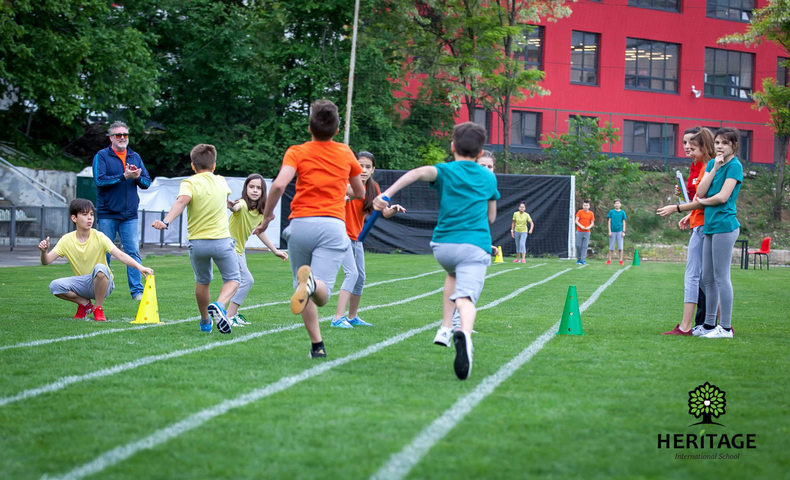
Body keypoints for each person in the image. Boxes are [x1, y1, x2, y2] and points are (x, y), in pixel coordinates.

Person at [373, 122, 501, 380]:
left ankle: (444, 328)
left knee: (453, 275)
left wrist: (386, 194)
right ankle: (463, 335)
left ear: (452, 146)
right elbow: (491, 217)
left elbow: (417, 173)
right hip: (474, 245)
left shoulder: (444, 170)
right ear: (480, 154)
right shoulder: (488, 176)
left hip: (444, 247)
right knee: (465, 299)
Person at [253, 99, 365, 359]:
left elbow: (279, 185)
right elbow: (359, 191)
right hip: (332, 225)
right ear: (337, 130)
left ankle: (317, 344)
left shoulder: (297, 151)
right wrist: (340, 188)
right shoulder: (345, 152)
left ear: (309, 128)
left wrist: (268, 216)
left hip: (300, 225)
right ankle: (312, 284)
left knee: (300, 287)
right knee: (320, 292)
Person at [152, 144, 240, 334]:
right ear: (214, 165)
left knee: (203, 281)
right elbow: (222, 200)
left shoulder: (189, 183)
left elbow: (182, 201)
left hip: (198, 242)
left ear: (193, 166)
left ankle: (205, 321)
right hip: (221, 241)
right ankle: (220, 305)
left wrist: (166, 222)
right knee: (233, 279)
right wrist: (233, 206)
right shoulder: (221, 181)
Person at [39, 199, 153, 321]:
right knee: (54, 286)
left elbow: (120, 255)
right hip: (84, 284)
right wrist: (44, 251)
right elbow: (46, 261)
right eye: (84, 214)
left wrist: (140, 267)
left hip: (105, 283)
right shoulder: (66, 240)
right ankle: (84, 304)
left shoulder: (99, 236)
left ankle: (98, 309)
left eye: (91, 214)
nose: (89, 218)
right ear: (74, 218)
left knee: (100, 268)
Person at [332, 151, 405, 329]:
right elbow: (333, 204)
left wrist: (394, 208)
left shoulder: (374, 188)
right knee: (352, 274)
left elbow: (384, 212)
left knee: (361, 277)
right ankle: (337, 318)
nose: (363, 170)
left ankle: (352, 317)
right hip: (341, 235)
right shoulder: (345, 184)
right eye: (360, 166)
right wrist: (345, 199)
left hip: (357, 238)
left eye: (367, 167)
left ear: (373, 170)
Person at [657, 127, 715, 335]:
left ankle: (687, 326)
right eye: (684, 143)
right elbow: (699, 201)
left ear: (703, 146)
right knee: (705, 277)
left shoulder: (708, 167)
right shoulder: (697, 166)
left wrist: (678, 208)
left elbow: (706, 200)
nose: (687, 147)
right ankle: (716, 323)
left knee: (696, 276)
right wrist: (689, 213)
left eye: (692, 143)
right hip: (699, 223)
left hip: (706, 226)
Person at [693, 127, 743, 339]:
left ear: (734, 145)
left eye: (725, 142)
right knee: (707, 277)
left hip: (725, 225)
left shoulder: (735, 166)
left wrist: (695, 205)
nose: (720, 146)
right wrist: (714, 168)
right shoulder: (713, 164)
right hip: (711, 225)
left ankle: (726, 327)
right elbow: (700, 191)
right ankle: (709, 325)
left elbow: (722, 197)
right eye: (717, 142)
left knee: (721, 277)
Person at [93, 120, 151, 300]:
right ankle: (103, 289)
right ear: (111, 138)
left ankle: (137, 292)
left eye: (125, 135)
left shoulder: (135, 156)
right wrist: (123, 176)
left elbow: (147, 182)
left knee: (133, 252)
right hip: (107, 213)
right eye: (118, 135)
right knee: (105, 253)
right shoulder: (101, 156)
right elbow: (99, 181)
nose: (122, 138)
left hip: (129, 215)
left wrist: (136, 177)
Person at [225, 174, 289, 327]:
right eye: (251, 187)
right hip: (229, 246)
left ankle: (231, 314)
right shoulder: (242, 204)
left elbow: (259, 231)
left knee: (239, 281)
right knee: (247, 280)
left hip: (239, 249)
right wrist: (230, 205)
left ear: (263, 191)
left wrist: (275, 251)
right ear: (245, 188)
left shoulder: (259, 211)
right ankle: (228, 316)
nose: (254, 190)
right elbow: (236, 207)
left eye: (258, 188)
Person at [606, 199, 627, 266]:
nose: (617, 205)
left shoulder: (622, 212)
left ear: (620, 204)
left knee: (620, 247)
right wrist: (609, 231)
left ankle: (620, 260)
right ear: (614, 204)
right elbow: (609, 221)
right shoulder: (611, 212)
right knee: (611, 247)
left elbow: (624, 222)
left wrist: (623, 231)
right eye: (615, 203)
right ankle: (609, 260)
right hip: (612, 231)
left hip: (619, 230)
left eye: (618, 203)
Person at [575, 200, 594, 265]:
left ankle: (583, 259)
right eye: (584, 205)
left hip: (587, 232)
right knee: (578, 245)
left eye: (587, 205)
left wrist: (588, 227)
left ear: (589, 206)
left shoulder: (591, 213)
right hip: (579, 231)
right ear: (582, 206)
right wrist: (581, 226)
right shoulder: (580, 212)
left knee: (585, 246)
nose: (585, 207)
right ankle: (579, 258)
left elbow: (592, 223)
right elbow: (576, 221)